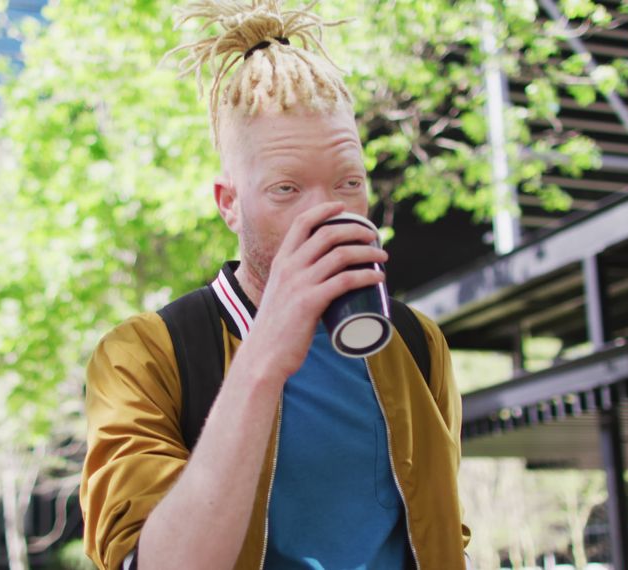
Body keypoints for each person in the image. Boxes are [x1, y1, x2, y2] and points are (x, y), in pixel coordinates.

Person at [80, 1, 471, 568]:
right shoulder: (140, 357)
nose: (328, 211)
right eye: (287, 189)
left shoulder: (417, 343)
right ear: (230, 204)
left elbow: (443, 535)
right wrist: (264, 357)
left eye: (348, 181)